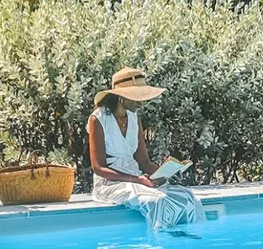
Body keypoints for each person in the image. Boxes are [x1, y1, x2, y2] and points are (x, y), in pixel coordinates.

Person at [87, 66, 204, 230]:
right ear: (121, 97)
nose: (141, 103)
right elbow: (98, 168)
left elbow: (143, 160)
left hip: (136, 178)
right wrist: (138, 180)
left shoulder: (134, 117)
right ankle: (159, 243)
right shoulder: (98, 119)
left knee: (186, 196)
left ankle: (188, 242)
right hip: (111, 184)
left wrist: (163, 173)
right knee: (156, 201)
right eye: (136, 97)